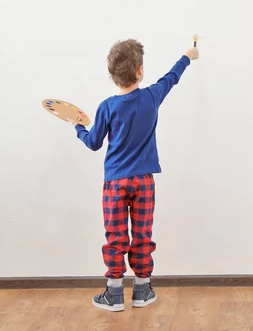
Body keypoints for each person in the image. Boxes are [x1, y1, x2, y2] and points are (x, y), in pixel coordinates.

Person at [68, 39, 199, 311]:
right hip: (144, 182)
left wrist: (78, 127)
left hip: (115, 182)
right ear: (140, 71)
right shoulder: (152, 96)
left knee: (116, 236)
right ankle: (142, 290)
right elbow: (172, 77)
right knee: (142, 234)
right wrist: (188, 55)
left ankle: (114, 294)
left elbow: (93, 142)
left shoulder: (107, 106)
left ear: (112, 75)